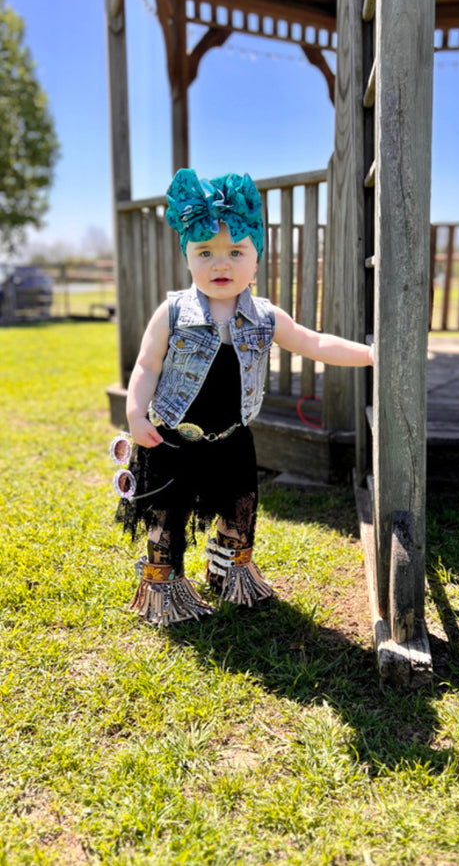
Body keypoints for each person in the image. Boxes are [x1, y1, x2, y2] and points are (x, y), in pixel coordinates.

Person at [114, 168, 374, 625]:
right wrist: (136, 413)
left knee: (239, 504)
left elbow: (315, 343)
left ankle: (230, 572)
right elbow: (147, 365)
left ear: (257, 259)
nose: (221, 264)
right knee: (168, 513)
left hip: (232, 436)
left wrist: (371, 355)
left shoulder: (267, 317)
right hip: (171, 437)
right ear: (188, 257)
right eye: (206, 252)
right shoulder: (172, 311)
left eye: (236, 251)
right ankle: (164, 587)